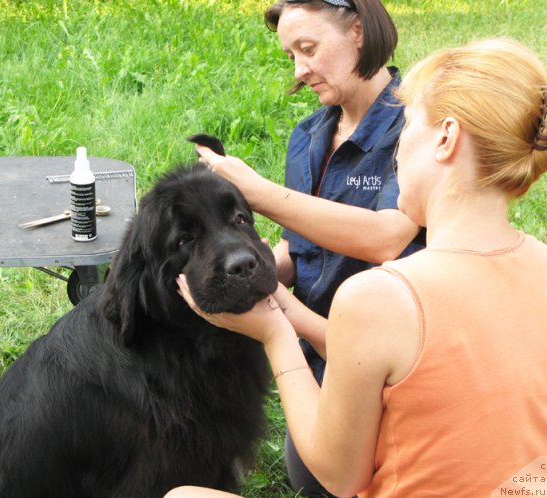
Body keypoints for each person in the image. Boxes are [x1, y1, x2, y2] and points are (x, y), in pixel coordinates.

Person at [168, 38, 547, 497]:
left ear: (445, 138)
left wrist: (274, 333)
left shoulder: (381, 296)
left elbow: (338, 475)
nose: (396, 150)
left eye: (407, 128)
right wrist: (283, 302)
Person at [193, 1, 423, 494]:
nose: (299, 70)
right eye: (291, 55)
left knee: (329, 477)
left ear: (358, 31)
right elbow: (298, 250)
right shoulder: (308, 136)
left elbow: (387, 236)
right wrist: (239, 278)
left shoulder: (416, 127)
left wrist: (261, 195)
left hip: (385, 361)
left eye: (309, 48)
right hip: (319, 349)